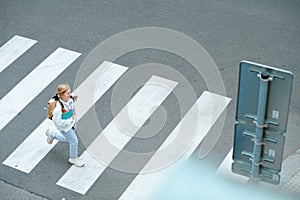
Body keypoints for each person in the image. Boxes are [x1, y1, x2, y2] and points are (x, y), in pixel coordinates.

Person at [46, 83, 84, 167]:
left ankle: (52, 134)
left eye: (70, 92)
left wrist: (74, 115)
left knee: (69, 139)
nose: (70, 94)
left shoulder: (69, 99)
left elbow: (72, 106)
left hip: (72, 123)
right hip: (65, 128)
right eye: (68, 93)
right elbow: (59, 123)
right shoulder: (58, 109)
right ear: (62, 95)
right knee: (74, 141)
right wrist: (71, 119)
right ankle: (73, 158)